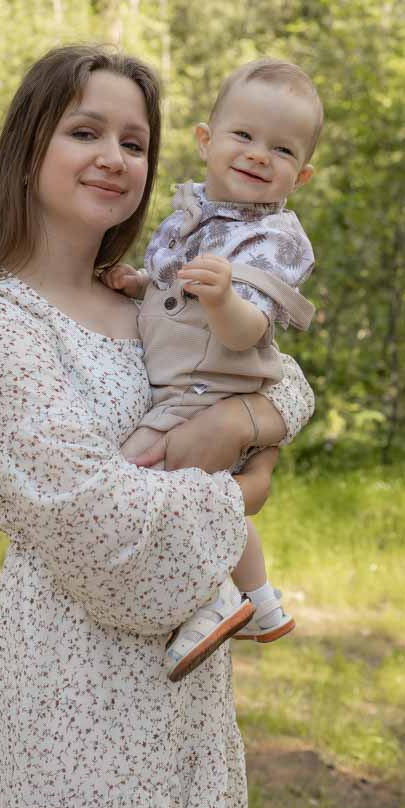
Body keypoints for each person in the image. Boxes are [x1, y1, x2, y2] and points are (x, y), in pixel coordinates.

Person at [0, 45, 315, 808]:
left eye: (133, 143)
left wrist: (234, 422)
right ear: (29, 148)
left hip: (189, 677)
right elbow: (93, 517)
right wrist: (240, 490)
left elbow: (290, 381)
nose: (113, 157)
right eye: (85, 132)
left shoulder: (150, 303)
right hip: (75, 675)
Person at [104, 60, 322, 681]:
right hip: (183, 383)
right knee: (207, 496)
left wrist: (226, 299)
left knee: (136, 473)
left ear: (301, 175)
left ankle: (214, 595)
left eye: (281, 149)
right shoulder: (192, 213)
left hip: (208, 389)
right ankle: (260, 600)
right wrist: (141, 283)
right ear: (206, 140)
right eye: (244, 136)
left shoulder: (273, 238)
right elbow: (174, 292)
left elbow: (247, 330)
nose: (258, 155)